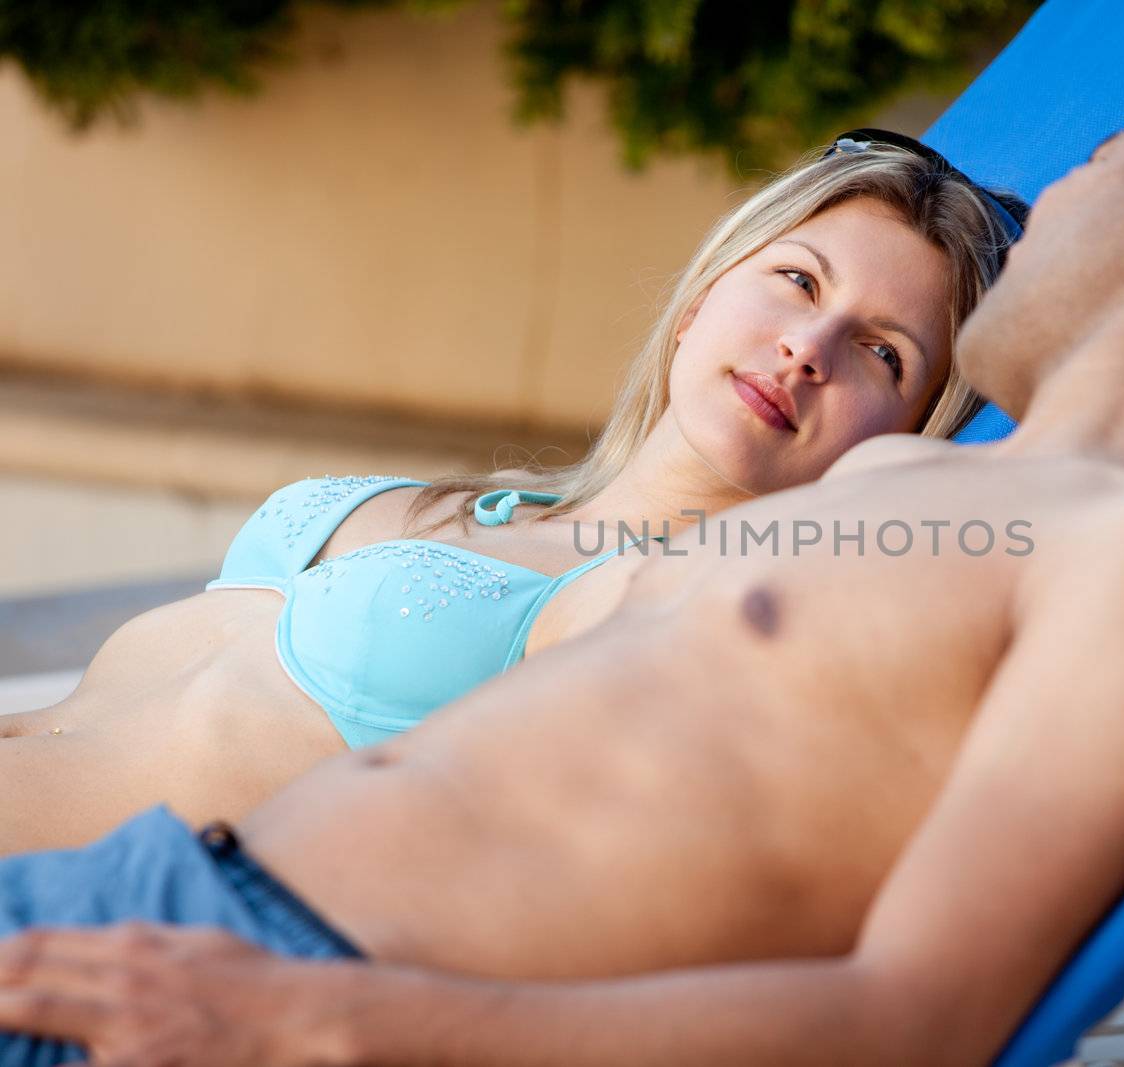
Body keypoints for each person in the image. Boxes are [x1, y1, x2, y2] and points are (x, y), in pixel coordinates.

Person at [0, 43, 1124, 1067]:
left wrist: (309, 1011)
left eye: (1094, 164)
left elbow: (917, 1013)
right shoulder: (916, 478)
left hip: (263, 993)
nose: (1048, 198)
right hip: (153, 910)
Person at [0, 135, 1025, 855]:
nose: (808, 347)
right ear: (702, 297)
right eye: (798, 280)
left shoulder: (671, 607)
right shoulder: (497, 508)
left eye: (882, 353)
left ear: (902, 441)